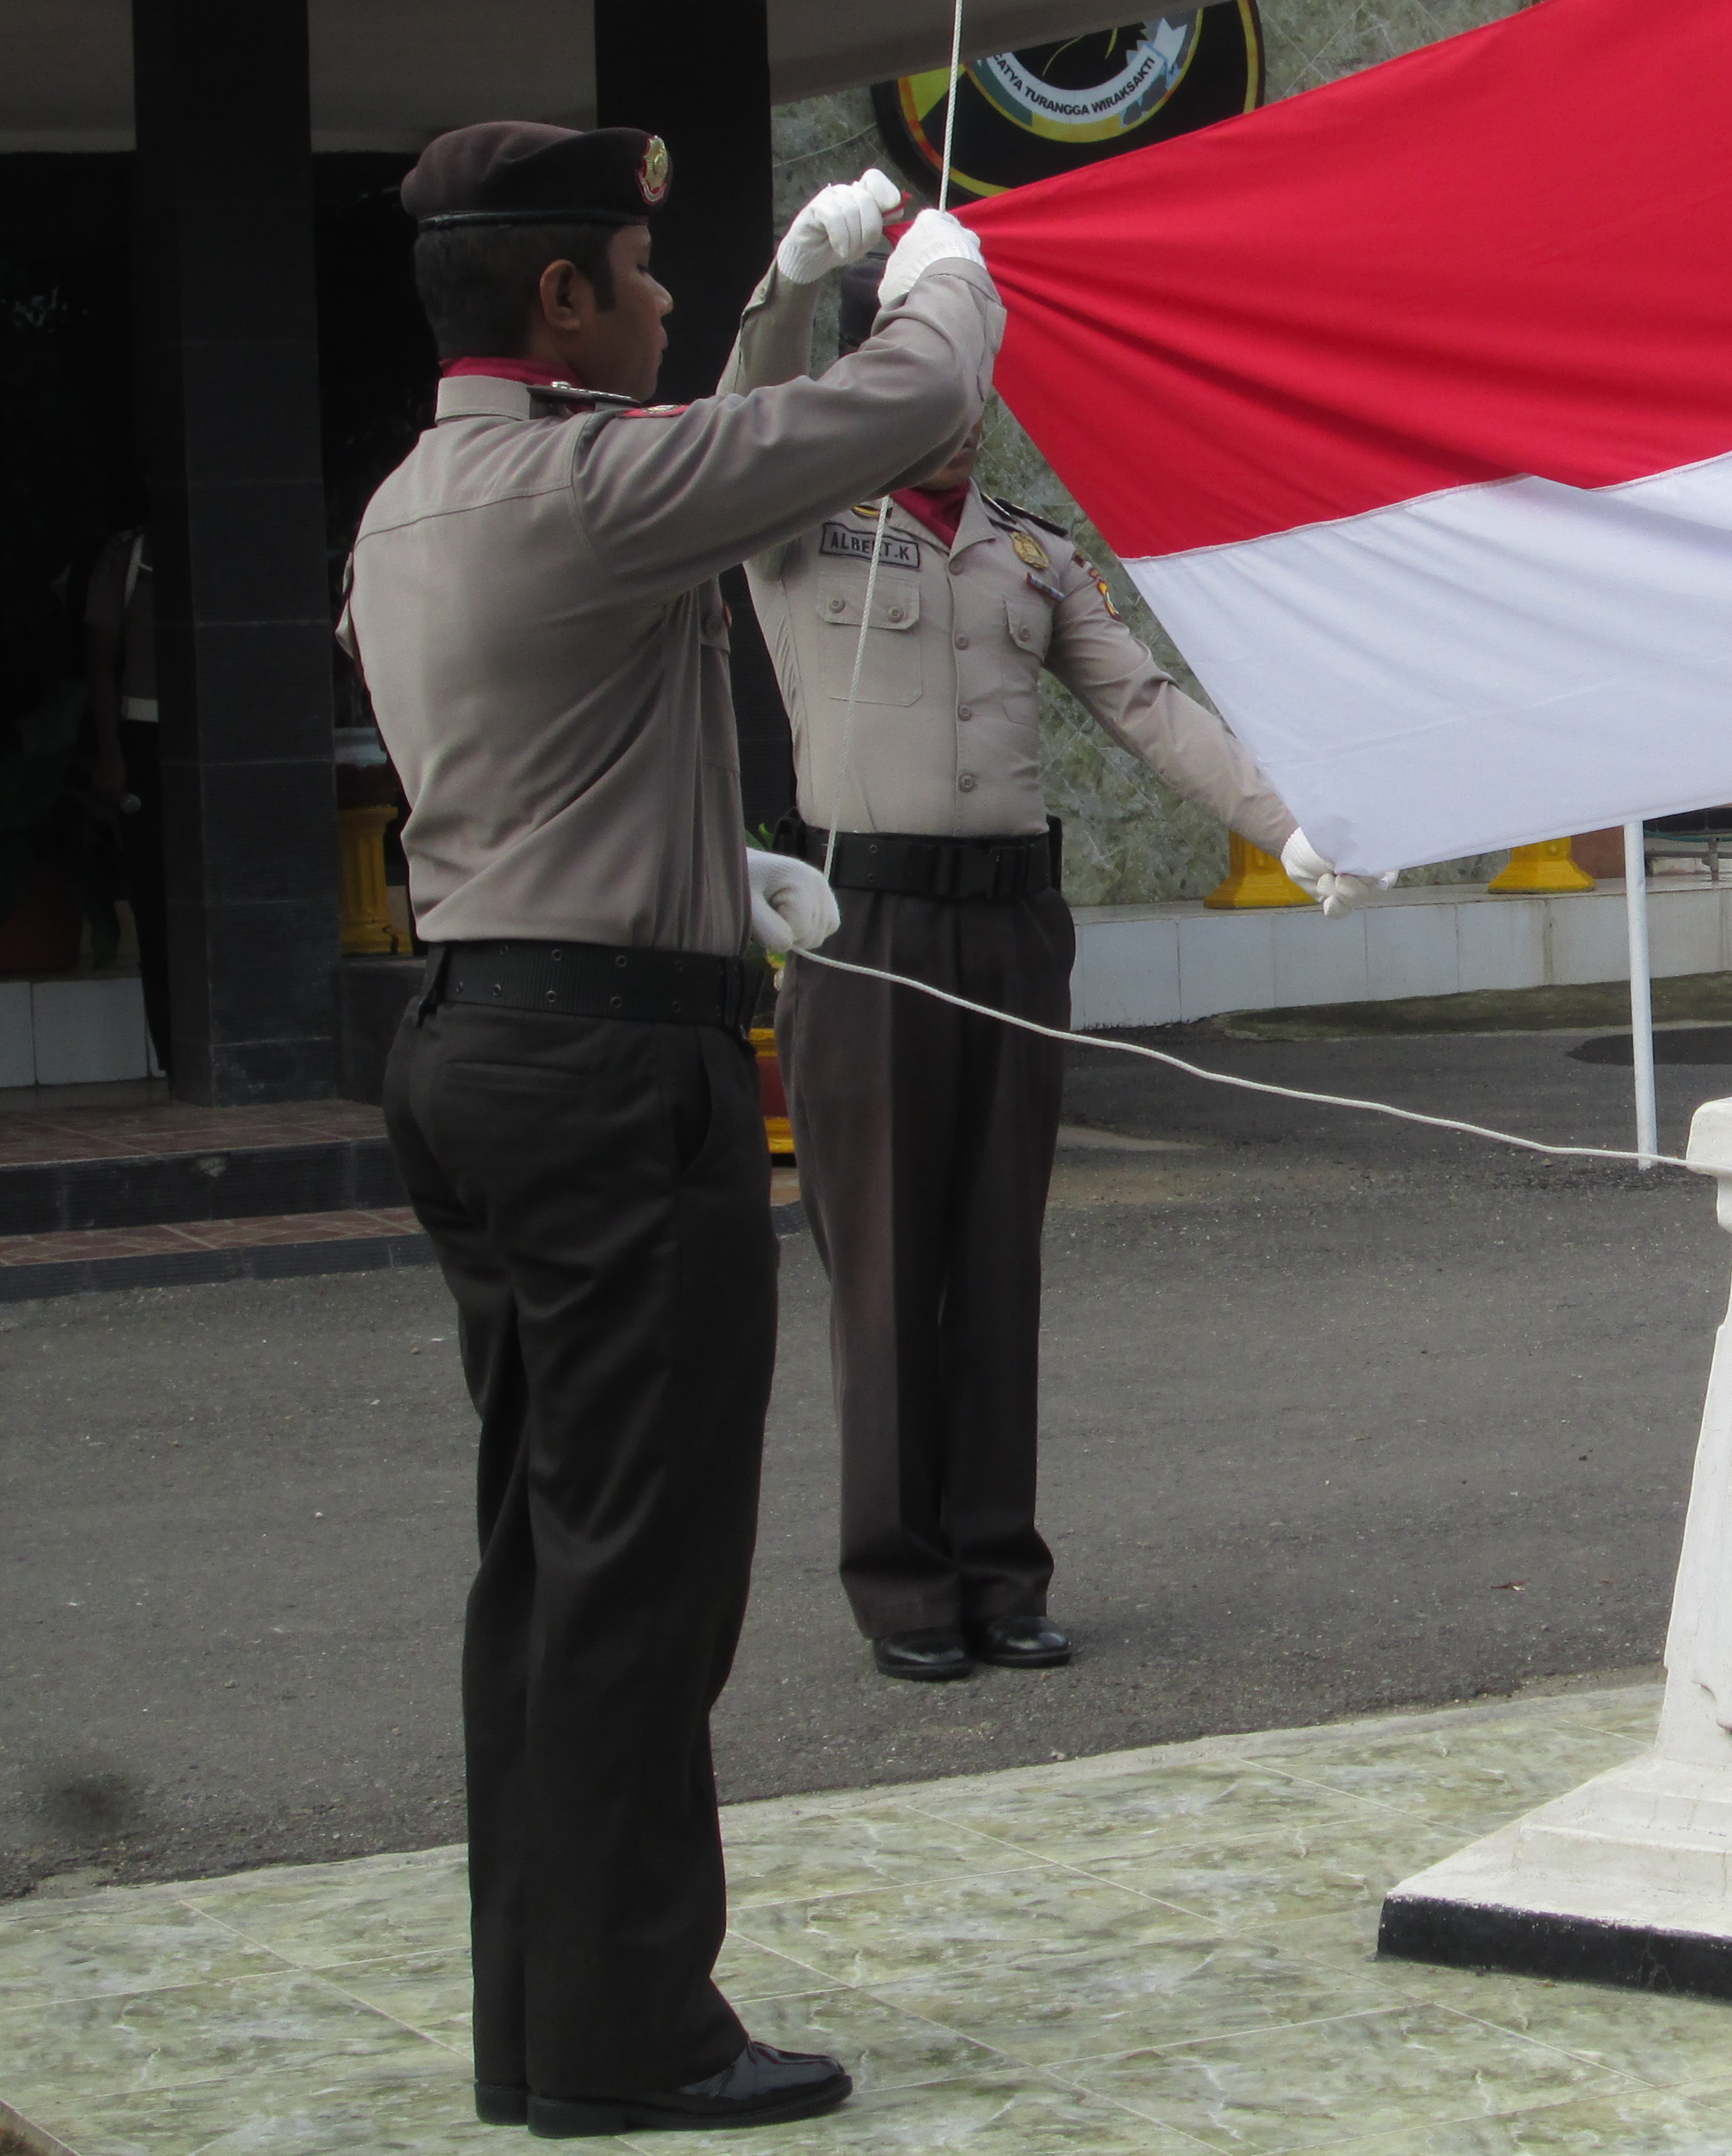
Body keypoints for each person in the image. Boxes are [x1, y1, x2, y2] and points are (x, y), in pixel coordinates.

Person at [341, 121, 995, 2136]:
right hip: (618, 1079)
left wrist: (780, 294)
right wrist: (934, 276)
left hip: (490, 1038)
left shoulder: (418, 498)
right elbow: (901, 404)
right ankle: (637, 2035)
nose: (650, 294)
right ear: (557, 299)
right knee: (644, 1573)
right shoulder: (587, 486)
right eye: (634, 266)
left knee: (549, 1564)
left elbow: (710, 449)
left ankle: (546, 2021)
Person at [722, 174, 1383, 1683]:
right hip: (864, 918)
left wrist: (1283, 825)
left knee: (994, 1257)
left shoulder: (1030, 552)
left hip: (1009, 927)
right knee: (886, 1265)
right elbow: (741, 411)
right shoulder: (796, 522)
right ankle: (902, 1586)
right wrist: (791, 278)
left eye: (972, 382)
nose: (957, 413)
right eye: (931, 373)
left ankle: (1000, 1567)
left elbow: (1145, 704)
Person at [83, 527, 166, 1074]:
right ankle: (173, 1051)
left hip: (219, 737)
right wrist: (111, 753)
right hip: (146, 738)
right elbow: (99, 660)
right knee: (157, 906)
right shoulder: (128, 556)